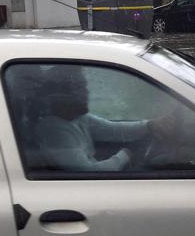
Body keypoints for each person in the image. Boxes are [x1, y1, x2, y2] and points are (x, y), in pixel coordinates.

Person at [30, 66, 178, 172]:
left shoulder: (77, 118)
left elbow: (112, 130)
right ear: (62, 95)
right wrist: (125, 155)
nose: (87, 92)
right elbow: (88, 172)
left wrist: (149, 125)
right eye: (80, 87)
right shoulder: (54, 130)